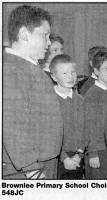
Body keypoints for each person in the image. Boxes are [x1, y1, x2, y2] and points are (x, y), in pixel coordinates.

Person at [3, 5, 63, 179]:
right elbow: (11, 123)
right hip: (27, 169)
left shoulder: (27, 67)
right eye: (45, 35)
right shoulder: (10, 69)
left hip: (41, 163)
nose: (49, 42)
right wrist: (31, 168)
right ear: (24, 35)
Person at [49, 54, 87, 179]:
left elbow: (86, 129)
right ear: (54, 77)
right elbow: (50, 134)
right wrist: (64, 158)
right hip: (58, 158)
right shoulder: (50, 101)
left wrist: (79, 154)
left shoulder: (81, 100)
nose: (70, 76)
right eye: (64, 73)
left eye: (73, 72)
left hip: (77, 157)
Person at [83, 49, 107, 179]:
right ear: (96, 71)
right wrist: (92, 153)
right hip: (98, 151)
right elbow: (89, 126)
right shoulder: (92, 94)